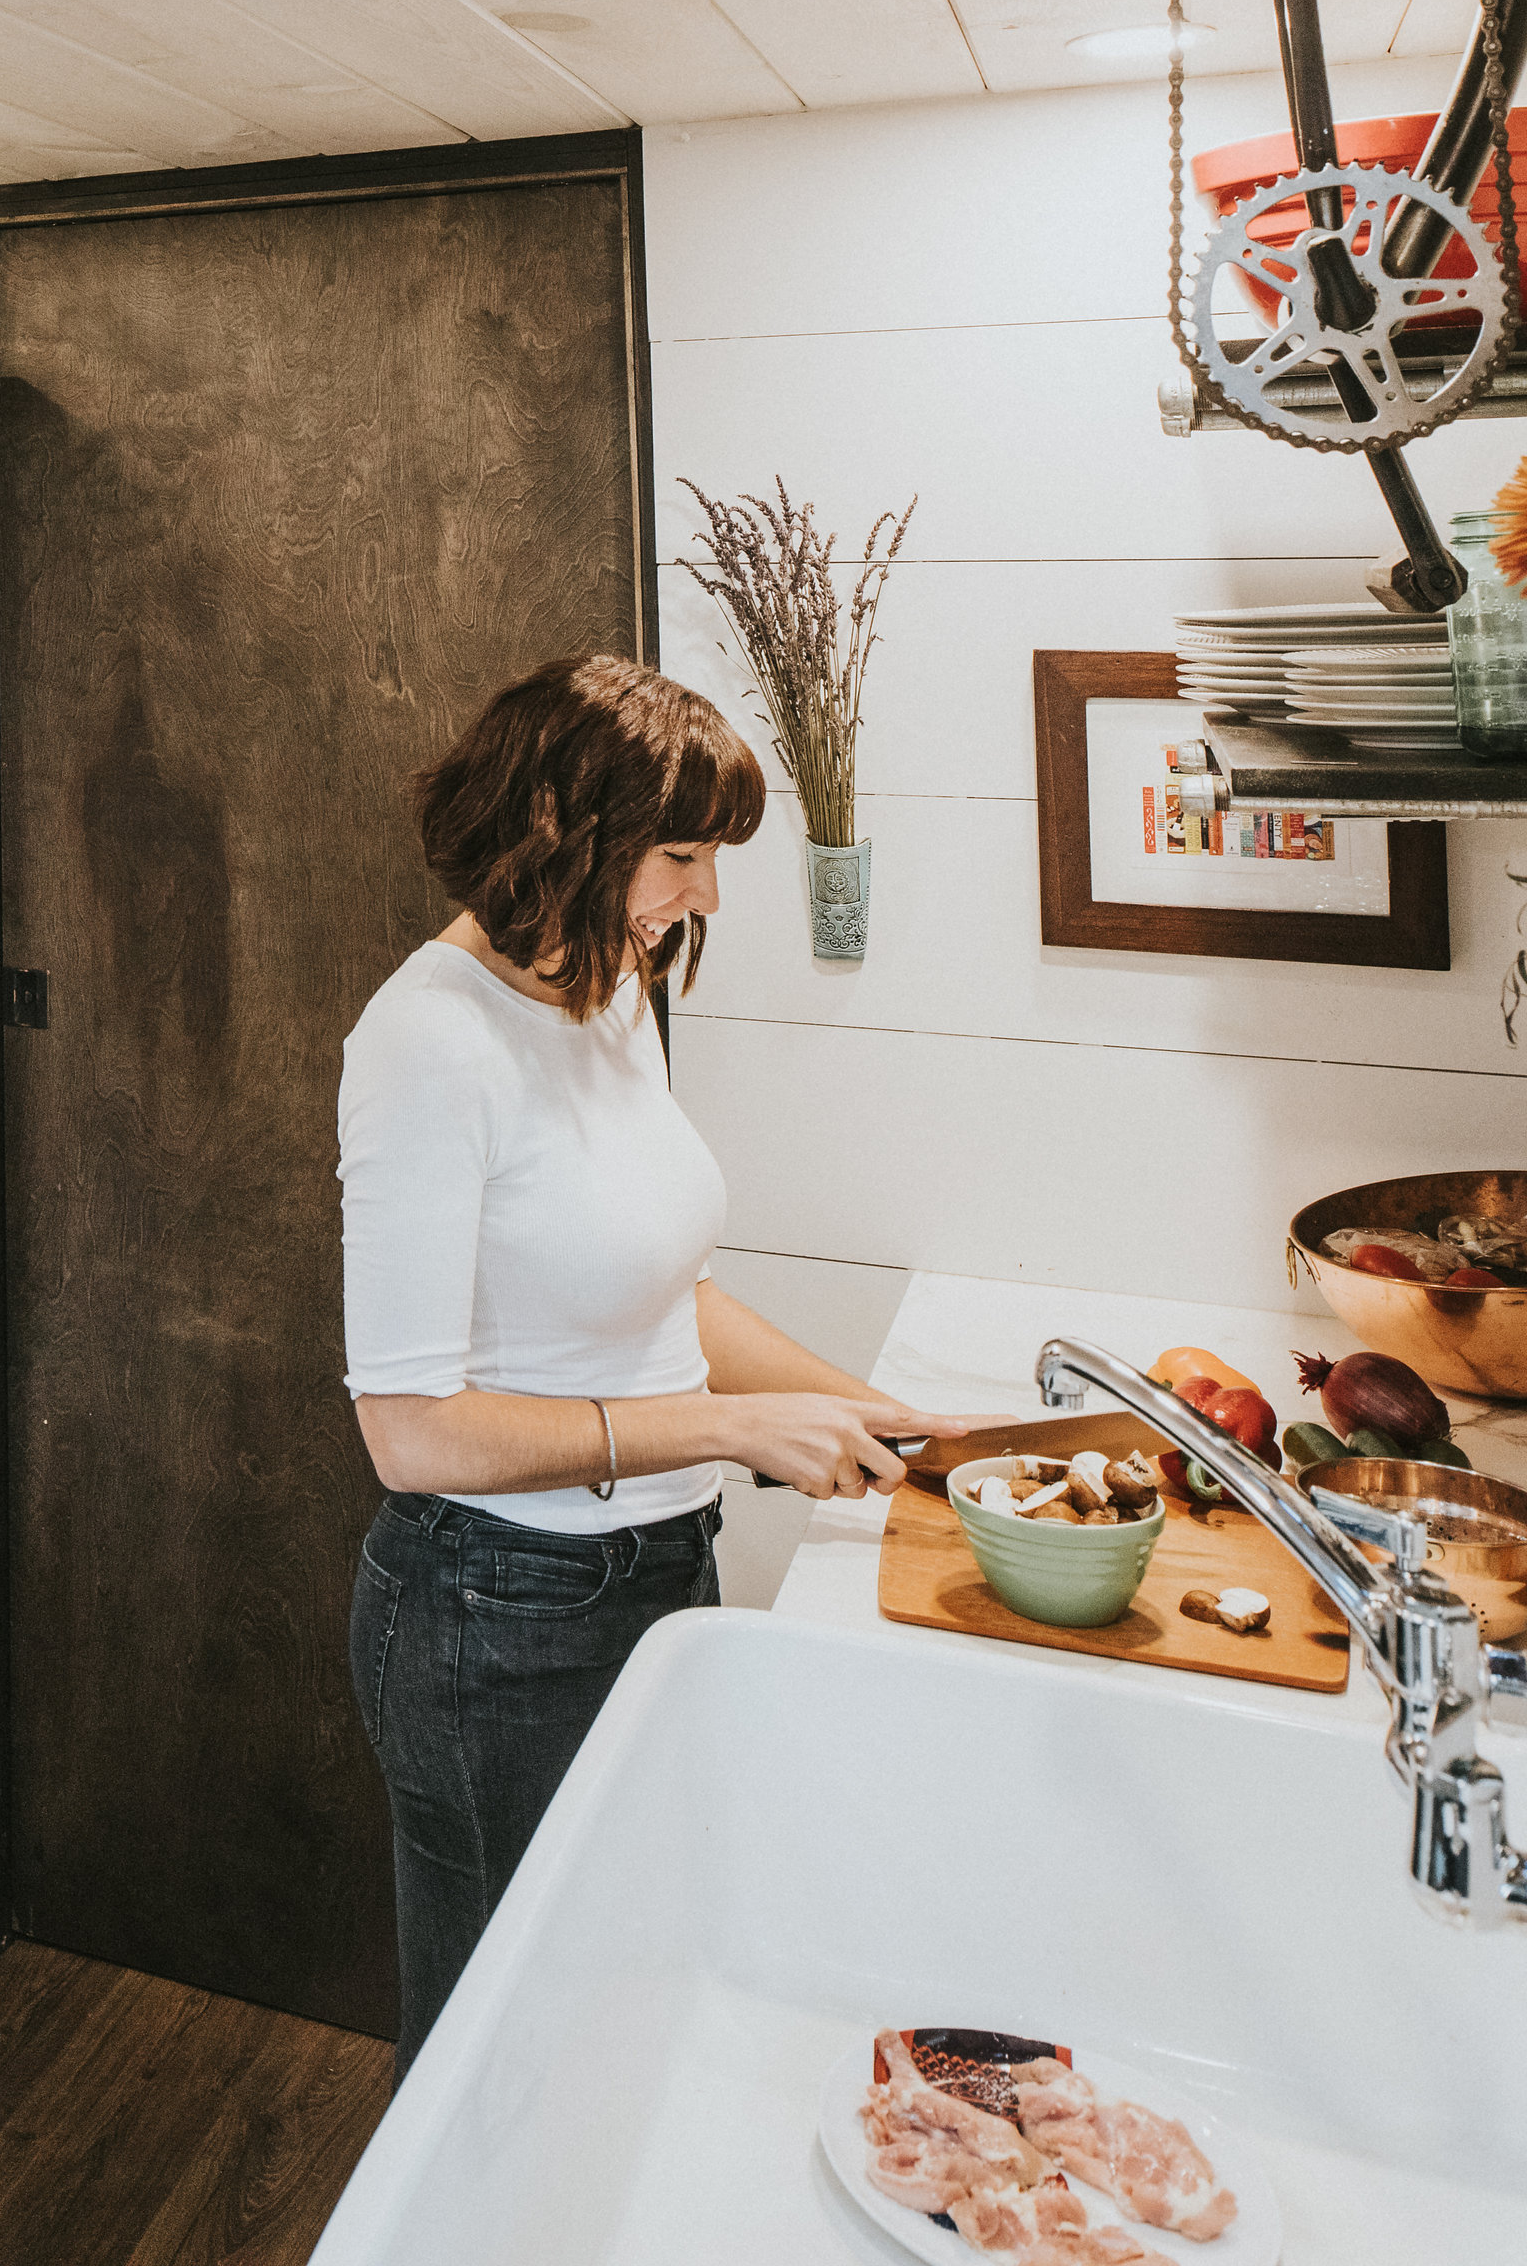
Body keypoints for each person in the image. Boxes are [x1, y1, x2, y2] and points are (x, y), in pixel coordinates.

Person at [336, 655, 987, 2072]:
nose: (703, 897)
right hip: (491, 1619)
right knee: (507, 2059)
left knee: (623, 2012)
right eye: (681, 856)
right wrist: (725, 1428)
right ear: (559, 831)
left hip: (652, 1572)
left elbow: (662, 1291)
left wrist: (858, 1410)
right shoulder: (428, 1045)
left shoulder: (609, 984)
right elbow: (412, 1433)